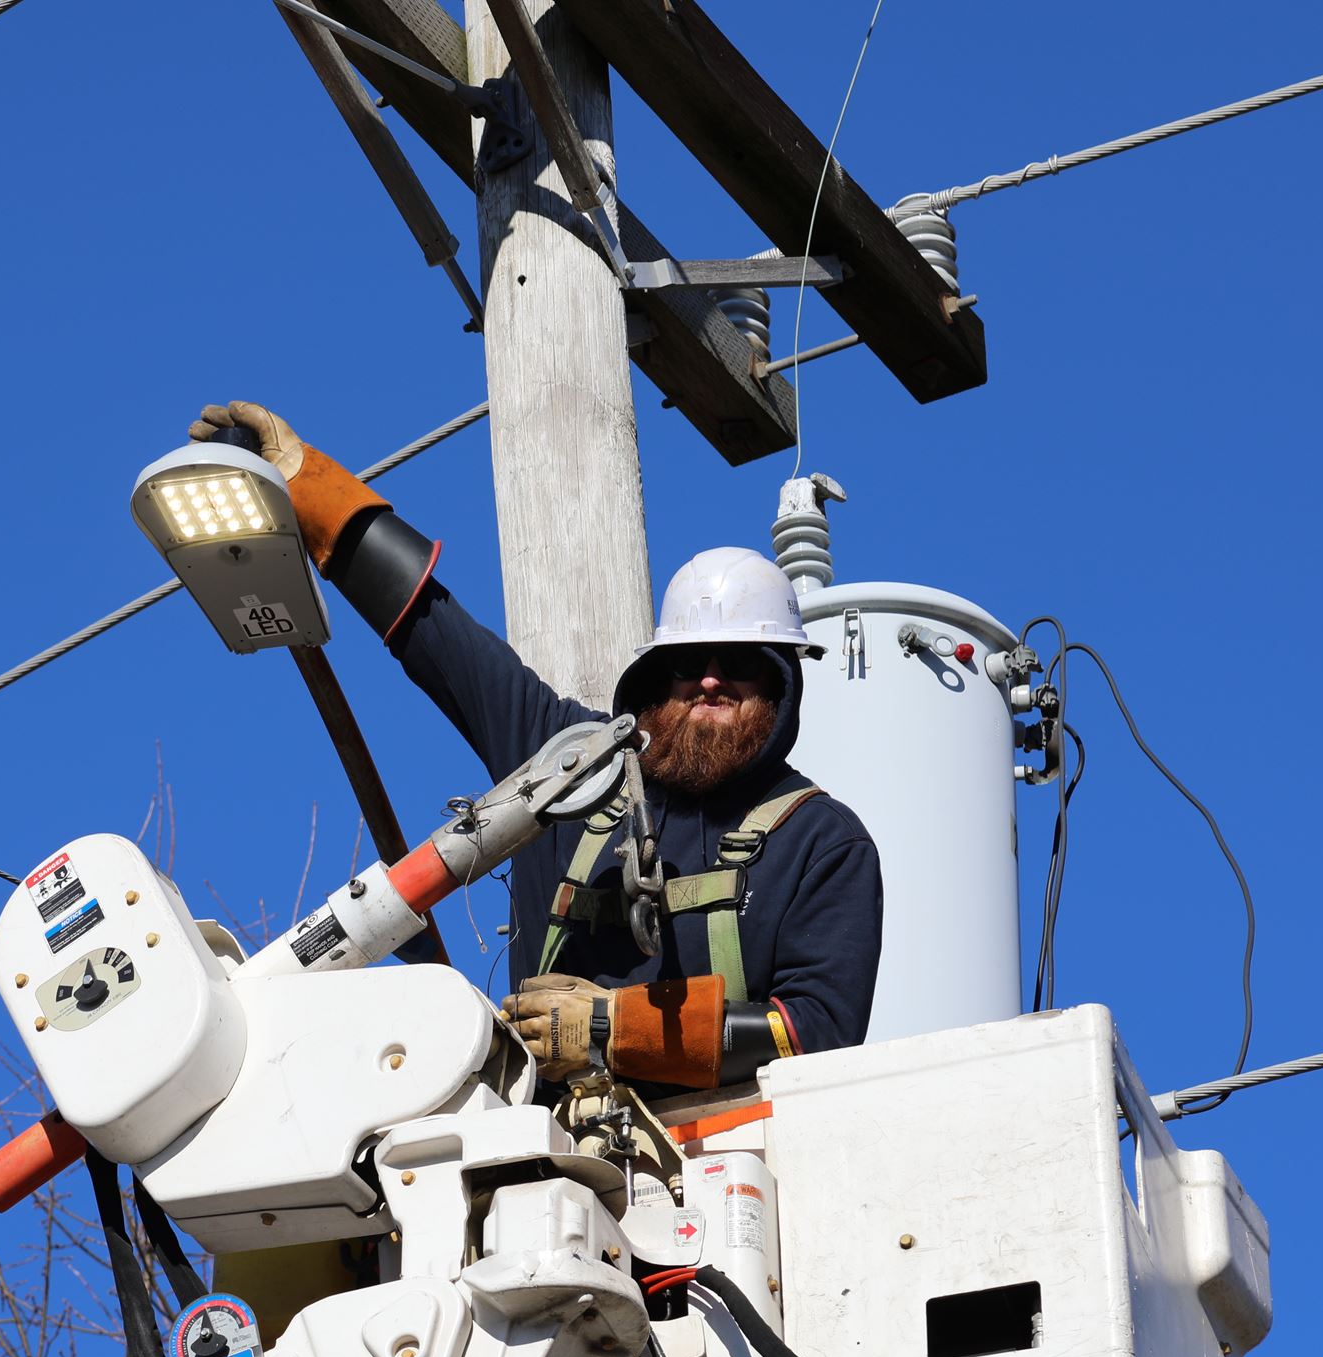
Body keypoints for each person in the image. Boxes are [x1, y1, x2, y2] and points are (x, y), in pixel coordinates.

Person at [191, 400, 883, 1093]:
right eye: (689, 661)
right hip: (548, 1166)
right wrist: (304, 481)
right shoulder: (575, 769)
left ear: (782, 687)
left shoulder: (821, 842)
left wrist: (612, 1026)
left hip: (725, 1170)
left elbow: (817, 1031)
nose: (709, 679)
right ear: (653, 680)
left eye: (741, 665)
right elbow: (437, 632)